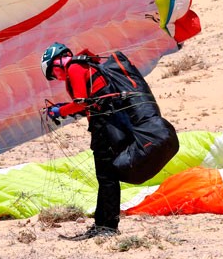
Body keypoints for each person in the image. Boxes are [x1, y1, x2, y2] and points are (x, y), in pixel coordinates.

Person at [40, 42, 179, 241]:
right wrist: (64, 109)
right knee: (107, 176)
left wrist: (59, 111)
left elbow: (82, 102)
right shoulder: (85, 65)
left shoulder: (74, 67)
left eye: (53, 74)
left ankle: (106, 226)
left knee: (106, 177)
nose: (57, 78)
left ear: (56, 62)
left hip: (104, 127)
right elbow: (90, 100)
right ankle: (104, 224)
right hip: (110, 124)